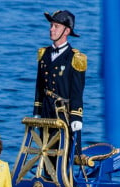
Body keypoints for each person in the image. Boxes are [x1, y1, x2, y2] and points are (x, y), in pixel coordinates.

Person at [33, 10, 86, 156]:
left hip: (64, 113)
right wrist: (37, 112)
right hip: (46, 111)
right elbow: (39, 87)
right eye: (51, 25)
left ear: (66, 31)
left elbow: (77, 91)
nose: (51, 29)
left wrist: (76, 117)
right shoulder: (44, 54)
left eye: (56, 26)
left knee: (65, 153)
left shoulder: (75, 57)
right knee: (45, 152)